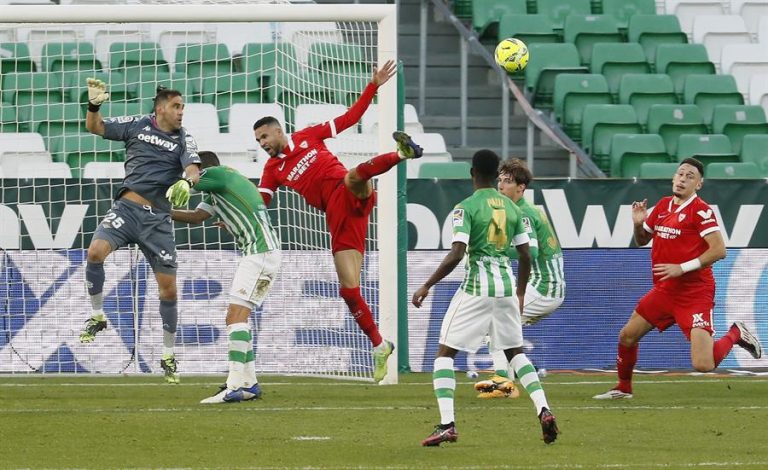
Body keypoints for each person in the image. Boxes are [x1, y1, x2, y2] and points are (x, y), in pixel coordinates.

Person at [252, 60, 422, 383]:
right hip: (338, 217)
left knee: (353, 176)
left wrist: (373, 85)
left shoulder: (308, 136)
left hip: (350, 192)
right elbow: (261, 202)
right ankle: (380, 345)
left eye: (264, 136)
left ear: (278, 130)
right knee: (349, 290)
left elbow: (350, 118)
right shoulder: (272, 170)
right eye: (258, 141)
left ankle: (403, 153)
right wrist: (234, 212)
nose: (262, 144)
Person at [411, 150, 559, 446]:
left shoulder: (465, 207)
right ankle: (544, 409)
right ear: (495, 176)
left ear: (472, 173)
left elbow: (457, 253)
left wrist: (427, 284)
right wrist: (520, 292)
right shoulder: (513, 209)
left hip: (477, 288)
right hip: (506, 288)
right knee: (515, 352)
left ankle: (447, 424)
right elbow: (526, 255)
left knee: (444, 355)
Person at [593, 158, 763, 400]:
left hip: (694, 293)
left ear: (698, 184)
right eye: (680, 174)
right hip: (665, 291)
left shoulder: (701, 211)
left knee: (703, 364)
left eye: (690, 176)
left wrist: (681, 268)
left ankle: (736, 333)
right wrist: (638, 224)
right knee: (627, 336)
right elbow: (642, 241)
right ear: (673, 178)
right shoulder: (663, 206)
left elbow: (719, 250)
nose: (683, 179)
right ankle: (623, 388)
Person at [80, 80, 201, 384]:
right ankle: (97, 316)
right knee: (94, 253)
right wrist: (94, 105)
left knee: (168, 290)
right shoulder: (137, 124)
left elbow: (193, 169)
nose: (181, 111)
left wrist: (186, 182)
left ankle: (168, 354)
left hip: (157, 220)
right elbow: (95, 127)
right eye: (176, 106)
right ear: (160, 108)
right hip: (126, 210)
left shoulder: (184, 138)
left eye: (183, 107)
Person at [171, 151, 281, 403]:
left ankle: (234, 386)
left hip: (260, 254)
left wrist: (150, 199)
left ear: (202, 170)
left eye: (192, 170)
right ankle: (249, 385)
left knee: (235, 318)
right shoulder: (219, 189)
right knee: (237, 317)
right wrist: (164, 213)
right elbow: (197, 217)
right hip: (263, 254)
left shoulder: (219, 174)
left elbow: (187, 184)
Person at [475, 158, 566, 398]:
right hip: (545, 284)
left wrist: (496, 250)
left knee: (496, 323)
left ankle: (503, 384)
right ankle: (505, 383)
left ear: (521, 187)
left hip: (545, 288)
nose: (501, 185)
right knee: (502, 327)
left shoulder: (523, 213)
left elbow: (531, 252)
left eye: (507, 181)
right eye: (500, 180)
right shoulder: (523, 209)